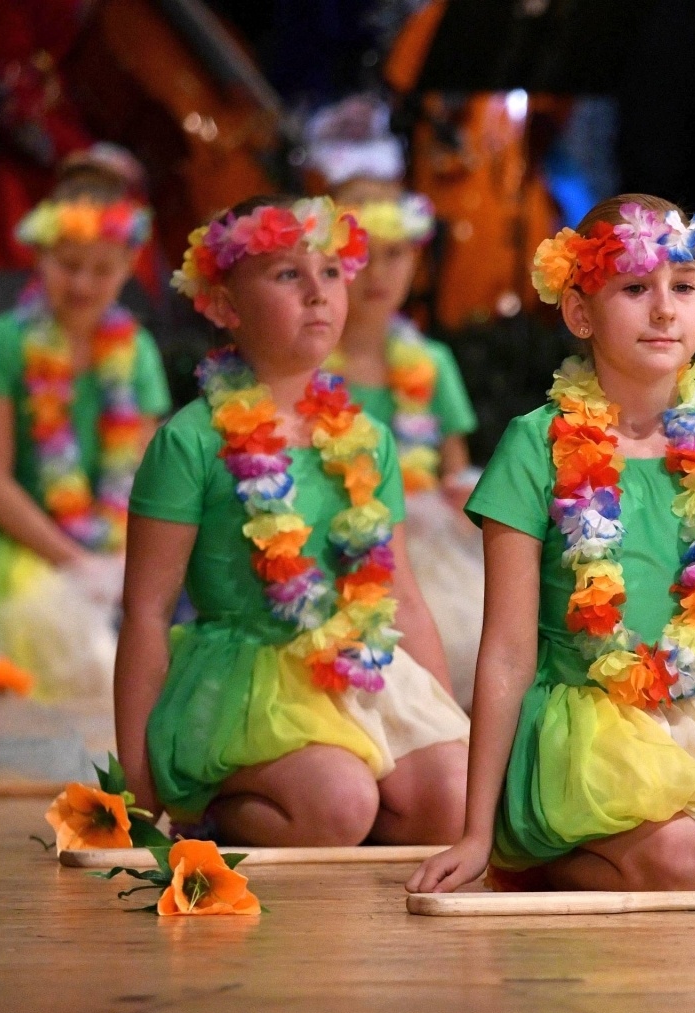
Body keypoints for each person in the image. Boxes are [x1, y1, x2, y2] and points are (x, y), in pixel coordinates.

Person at [409, 194, 695, 894]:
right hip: (583, 723)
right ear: (580, 312)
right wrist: (476, 832)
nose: (665, 310)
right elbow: (508, 651)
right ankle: (537, 863)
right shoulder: (535, 444)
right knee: (679, 852)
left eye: (684, 286)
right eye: (636, 287)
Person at [116, 195, 468, 846]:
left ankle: (342, 824)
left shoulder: (368, 438)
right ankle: (215, 813)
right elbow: (146, 610)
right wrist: (138, 792)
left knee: (453, 800)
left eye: (331, 272)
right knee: (341, 802)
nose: (317, 292)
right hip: (248, 685)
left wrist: (447, 722)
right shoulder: (190, 441)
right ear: (225, 305)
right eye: (287, 274)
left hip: (359, 666)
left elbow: (404, 596)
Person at [0, 159, 169, 703]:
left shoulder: (137, 351)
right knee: (65, 639)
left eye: (102, 269)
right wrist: (77, 563)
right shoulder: (0, 342)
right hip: (8, 540)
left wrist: (119, 563)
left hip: (109, 542)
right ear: (40, 255)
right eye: (69, 265)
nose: (83, 283)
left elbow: (142, 481)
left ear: (129, 267)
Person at [324, 178, 485, 707]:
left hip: (422, 550)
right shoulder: (306, 367)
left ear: (415, 259)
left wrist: (463, 498)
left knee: (462, 640)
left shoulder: (431, 362)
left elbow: (453, 469)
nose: (378, 273)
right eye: (362, 256)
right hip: (329, 546)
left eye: (395, 255)